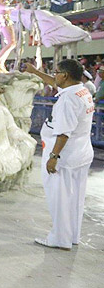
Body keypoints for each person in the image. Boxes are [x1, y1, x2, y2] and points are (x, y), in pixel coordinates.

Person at [26, 60, 94, 250]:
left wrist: (53, 156)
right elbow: (55, 83)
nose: (54, 75)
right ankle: (72, 236)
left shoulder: (67, 100)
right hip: (81, 154)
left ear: (65, 75)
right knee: (75, 200)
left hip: (65, 156)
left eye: (56, 72)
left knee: (60, 199)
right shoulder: (81, 91)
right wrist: (35, 72)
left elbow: (64, 132)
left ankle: (60, 239)